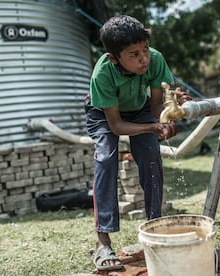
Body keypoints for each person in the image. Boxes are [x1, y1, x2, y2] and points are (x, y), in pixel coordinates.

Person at [84, 15, 191, 271]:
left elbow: (155, 107)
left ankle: (155, 228)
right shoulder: (103, 74)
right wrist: (152, 126)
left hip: (139, 108)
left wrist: (169, 113)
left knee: (151, 154)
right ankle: (103, 243)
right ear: (114, 58)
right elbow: (116, 126)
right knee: (106, 158)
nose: (143, 58)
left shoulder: (154, 60)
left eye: (144, 50)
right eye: (134, 54)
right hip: (104, 113)